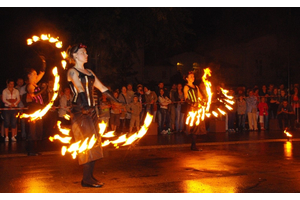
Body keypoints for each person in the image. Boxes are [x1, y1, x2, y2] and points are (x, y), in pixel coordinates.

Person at [66, 43, 120, 188]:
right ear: (75, 55)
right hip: (81, 111)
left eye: (86, 52)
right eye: (83, 52)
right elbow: (79, 88)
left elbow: (102, 88)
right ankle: (86, 179)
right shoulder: (72, 72)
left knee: (95, 143)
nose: (86, 54)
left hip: (91, 111)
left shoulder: (89, 72)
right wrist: (86, 107)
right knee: (87, 143)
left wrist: (116, 101)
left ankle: (89, 177)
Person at [24, 56, 47, 155]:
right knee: (33, 131)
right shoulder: (30, 85)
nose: (36, 74)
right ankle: (30, 151)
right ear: (29, 75)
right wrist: (43, 90)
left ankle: (36, 150)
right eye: (34, 73)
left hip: (39, 109)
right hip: (34, 109)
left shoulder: (35, 83)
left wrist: (43, 61)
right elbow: (32, 96)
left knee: (38, 130)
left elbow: (42, 72)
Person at [183, 71, 204, 151]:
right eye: (191, 76)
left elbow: (200, 96)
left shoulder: (196, 87)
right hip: (191, 108)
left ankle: (193, 145)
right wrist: (192, 103)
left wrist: (204, 100)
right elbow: (186, 98)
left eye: (193, 76)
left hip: (197, 108)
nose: (193, 77)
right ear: (187, 78)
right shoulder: (186, 87)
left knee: (196, 126)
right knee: (193, 127)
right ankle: (193, 145)